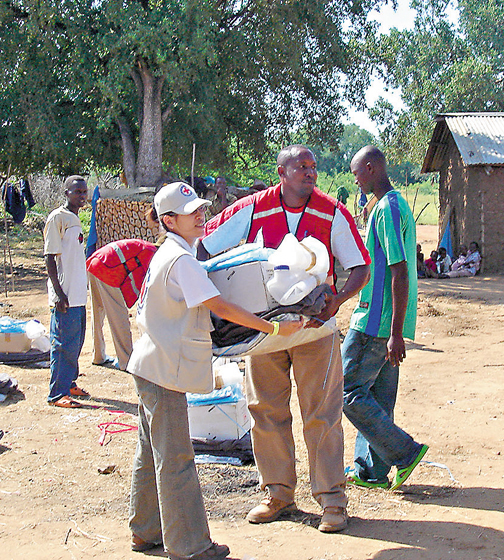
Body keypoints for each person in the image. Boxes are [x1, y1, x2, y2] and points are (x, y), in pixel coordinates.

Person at [200, 145, 370, 533]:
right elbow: (204, 244)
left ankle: (331, 500)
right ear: (281, 171)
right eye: (301, 166)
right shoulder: (253, 208)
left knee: (322, 415)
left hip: (316, 331)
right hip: (264, 333)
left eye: (313, 167)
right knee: (265, 409)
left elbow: (360, 266)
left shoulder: (332, 211)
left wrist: (339, 300)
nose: (310, 173)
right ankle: (278, 493)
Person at [128, 182, 302, 560]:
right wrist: (272, 326)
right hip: (163, 372)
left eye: (201, 210)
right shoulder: (181, 261)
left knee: (151, 452)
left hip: (150, 366)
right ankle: (190, 546)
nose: (200, 217)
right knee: (175, 459)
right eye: (192, 213)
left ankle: (145, 531)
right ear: (169, 220)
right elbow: (220, 306)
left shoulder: (171, 253)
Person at [342, 146, 429, 490]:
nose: (355, 180)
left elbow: (400, 271)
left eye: (357, 173)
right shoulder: (385, 206)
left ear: (371, 168)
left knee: (346, 391)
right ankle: (371, 472)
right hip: (385, 321)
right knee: (377, 398)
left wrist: (394, 332)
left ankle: (405, 453)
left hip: (376, 322)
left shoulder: (389, 208)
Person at [44, 176, 90, 408]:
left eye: (84, 191)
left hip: (79, 294)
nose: (82, 196)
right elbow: (50, 258)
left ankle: (69, 382)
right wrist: (59, 293)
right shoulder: (57, 218)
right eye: (77, 192)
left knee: (76, 341)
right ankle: (57, 393)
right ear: (66, 193)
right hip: (65, 295)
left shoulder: (75, 219)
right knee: (62, 343)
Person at [86, 238, 158, 370]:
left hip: (94, 262)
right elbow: (149, 283)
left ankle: (98, 355)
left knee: (98, 311)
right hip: (107, 268)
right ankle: (127, 361)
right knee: (118, 316)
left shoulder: (144, 246)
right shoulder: (151, 253)